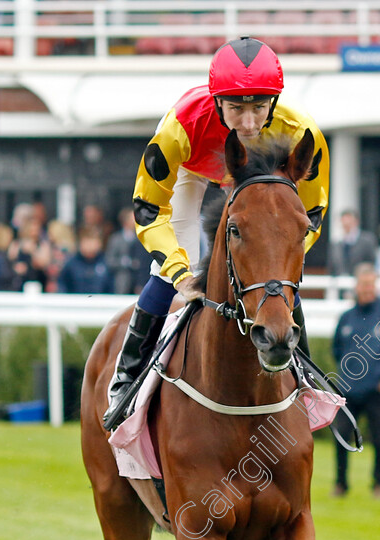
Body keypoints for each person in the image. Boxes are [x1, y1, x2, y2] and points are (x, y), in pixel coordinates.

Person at [103, 36, 330, 430]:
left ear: (273, 103)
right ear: (216, 101)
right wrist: (179, 272)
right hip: (192, 168)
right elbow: (148, 209)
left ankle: (307, 374)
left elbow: (309, 214)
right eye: (236, 110)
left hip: (253, 175)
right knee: (182, 263)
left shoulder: (300, 132)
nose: (248, 123)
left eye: (260, 108)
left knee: (275, 268)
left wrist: (273, 255)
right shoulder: (179, 129)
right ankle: (127, 377)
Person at [331, 263, 380, 498]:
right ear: (356, 286)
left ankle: (378, 484)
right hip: (348, 392)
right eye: (363, 284)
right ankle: (341, 484)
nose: (366, 289)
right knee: (341, 437)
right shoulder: (346, 318)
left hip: (376, 391)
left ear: (375, 287)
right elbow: (337, 349)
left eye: (370, 284)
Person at [106, 206, 153, 294]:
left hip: (139, 282)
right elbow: (109, 261)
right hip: (123, 281)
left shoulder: (142, 238)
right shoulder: (116, 239)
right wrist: (125, 262)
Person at [57, 226, 114, 294]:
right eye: (87, 241)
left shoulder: (106, 263)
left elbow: (112, 289)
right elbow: (63, 288)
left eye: (93, 241)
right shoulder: (71, 265)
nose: (90, 245)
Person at [327, 209, 377, 276]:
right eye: (344, 222)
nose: (346, 225)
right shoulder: (335, 244)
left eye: (349, 222)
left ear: (356, 222)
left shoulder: (367, 241)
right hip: (340, 283)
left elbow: (372, 262)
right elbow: (331, 267)